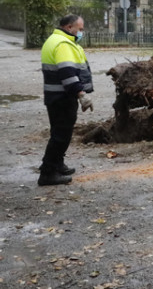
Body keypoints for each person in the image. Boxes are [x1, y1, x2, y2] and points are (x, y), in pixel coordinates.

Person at [38, 14, 94, 186]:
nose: (81, 32)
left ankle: (57, 164)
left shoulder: (55, 40)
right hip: (62, 97)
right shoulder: (63, 44)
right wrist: (81, 95)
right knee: (60, 135)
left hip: (54, 96)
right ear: (70, 28)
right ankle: (48, 173)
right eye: (80, 29)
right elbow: (67, 74)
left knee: (60, 133)